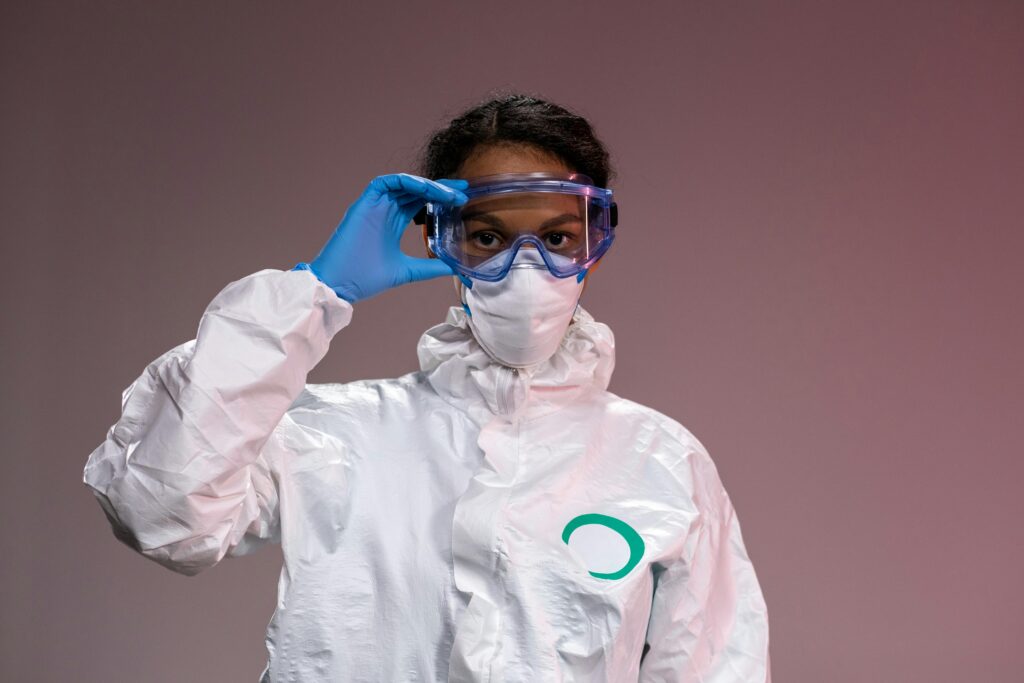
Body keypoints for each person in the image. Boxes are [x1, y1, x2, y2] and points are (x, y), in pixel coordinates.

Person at [83, 94, 771, 682]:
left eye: (558, 238)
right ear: (442, 239)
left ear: (595, 240)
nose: (525, 267)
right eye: (488, 236)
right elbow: (161, 512)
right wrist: (317, 293)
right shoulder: (332, 433)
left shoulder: (658, 461)